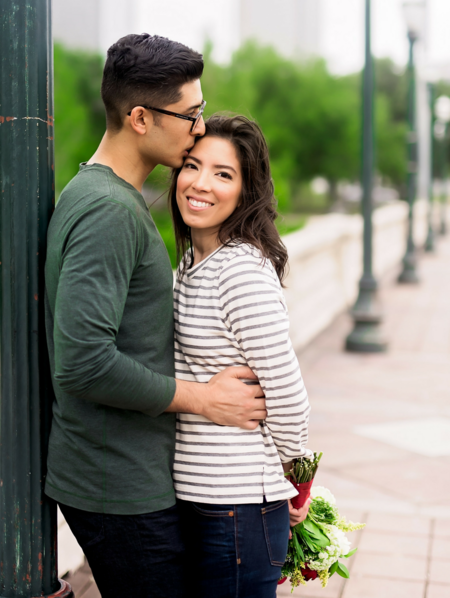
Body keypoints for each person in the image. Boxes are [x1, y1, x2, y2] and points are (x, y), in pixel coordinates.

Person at [43, 33, 269, 598]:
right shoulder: (109, 212)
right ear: (140, 118)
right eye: (191, 115)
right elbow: (84, 362)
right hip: (116, 484)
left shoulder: (105, 196)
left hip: (123, 476)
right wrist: (203, 398)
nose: (200, 127)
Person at [170, 114, 311, 597]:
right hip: (204, 500)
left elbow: (288, 396)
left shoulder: (242, 271)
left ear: (247, 190)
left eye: (223, 174)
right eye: (192, 165)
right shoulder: (192, 263)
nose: (200, 183)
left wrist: (299, 483)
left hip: (239, 509)